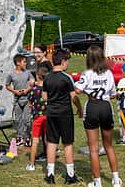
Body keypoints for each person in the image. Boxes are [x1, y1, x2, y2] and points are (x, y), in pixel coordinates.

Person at [74, 46, 122, 187]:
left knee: (93, 148)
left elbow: (77, 90)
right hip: (106, 107)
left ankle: (97, 183)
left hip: (93, 107)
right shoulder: (108, 73)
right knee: (109, 146)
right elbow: (113, 93)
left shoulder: (87, 73)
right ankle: (115, 179)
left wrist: (85, 89)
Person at [42, 49, 82, 184]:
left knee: (52, 142)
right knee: (67, 143)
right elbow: (73, 97)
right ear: (63, 62)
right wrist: (79, 107)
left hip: (51, 113)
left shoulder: (47, 77)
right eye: (67, 61)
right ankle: (70, 174)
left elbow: (44, 97)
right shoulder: (66, 78)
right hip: (65, 113)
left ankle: (50, 173)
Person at [6, 54, 34, 148]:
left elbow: (32, 83)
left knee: (27, 120)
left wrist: (27, 89)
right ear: (18, 63)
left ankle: (27, 137)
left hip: (27, 99)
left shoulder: (28, 73)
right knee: (18, 120)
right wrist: (14, 91)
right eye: (24, 62)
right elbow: (7, 85)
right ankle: (19, 137)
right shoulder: (11, 74)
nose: (26, 64)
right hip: (17, 100)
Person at [27, 63, 50, 171]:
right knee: (47, 140)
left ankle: (31, 164)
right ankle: (50, 163)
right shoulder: (49, 89)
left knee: (35, 140)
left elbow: (30, 102)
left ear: (37, 76)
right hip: (47, 117)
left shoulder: (34, 89)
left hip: (37, 118)